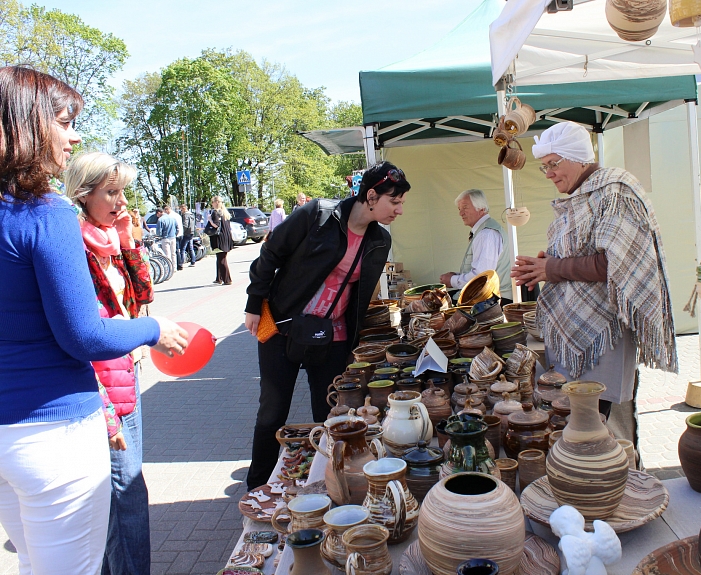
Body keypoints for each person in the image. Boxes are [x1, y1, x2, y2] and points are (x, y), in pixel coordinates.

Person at [0, 65, 188, 575]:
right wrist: (154, 330)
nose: (73, 135)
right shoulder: (46, 213)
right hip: (53, 431)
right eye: (63, 121)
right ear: (28, 124)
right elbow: (83, 334)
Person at [243, 161, 410, 490]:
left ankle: (326, 483)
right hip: (283, 328)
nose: (399, 210)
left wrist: (357, 343)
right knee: (272, 413)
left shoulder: (379, 241)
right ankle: (257, 487)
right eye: (395, 201)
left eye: (402, 202)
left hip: (333, 336)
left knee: (330, 413)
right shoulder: (318, 214)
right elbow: (271, 254)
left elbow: (360, 295)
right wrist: (254, 304)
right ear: (371, 195)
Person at [511, 121, 677, 450]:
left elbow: (613, 263)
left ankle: (608, 480)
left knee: (599, 424)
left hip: (603, 334)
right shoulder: (585, 195)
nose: (548, 173)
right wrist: (548, 262)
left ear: (578, 158)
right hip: (585, 330)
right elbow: (586, 251)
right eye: (544, 166)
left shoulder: (615, 192)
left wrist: (553, 268)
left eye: (553, 164)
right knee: (583, 418)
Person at [64, 152, 154, 575]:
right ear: (84, 195)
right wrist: (104, 411)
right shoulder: (74, 247)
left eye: (122, 192)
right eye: (111, 193)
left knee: (119, 498)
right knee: (126, 498)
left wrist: (130, 242)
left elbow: (141, 299)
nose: (121, 202)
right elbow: (80, 337)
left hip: (124, 375)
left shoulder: (107, 241)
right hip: (101, 386)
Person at [439, 189, 516, 304]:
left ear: (481, 208)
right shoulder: (485, 231)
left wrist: (452, 280)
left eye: (465, 207)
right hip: (489, 299)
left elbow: (482, 278)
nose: (461, 213)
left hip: (492, 303)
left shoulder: (486, 234)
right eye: (459, 209)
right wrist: (457, 276)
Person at [208, 195, 233, 285]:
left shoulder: (215, 212)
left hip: (219, 238)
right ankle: (219, 278)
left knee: (221, 259)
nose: (212, 204)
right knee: (220, 257)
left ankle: (227, 279)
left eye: (213, 202)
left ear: (216, 202)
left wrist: (210, 220)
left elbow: (216, 225)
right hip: (226, 237)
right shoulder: (225, 212)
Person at [169, 205, 183, 271]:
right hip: (180, 234)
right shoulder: (178, 215)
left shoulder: (171, 216)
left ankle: (179, 265)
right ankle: (180, 264)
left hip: (175, 235)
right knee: (179, 250)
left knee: (175, 251)